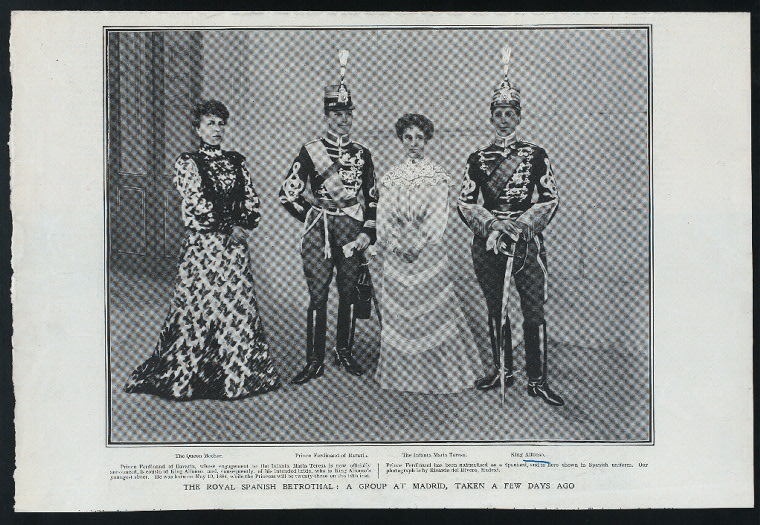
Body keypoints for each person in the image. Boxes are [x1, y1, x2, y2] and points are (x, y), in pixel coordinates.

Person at [124, 100, 281, 400]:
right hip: (204, 248)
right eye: (210, 123)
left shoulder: (237, 161)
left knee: (234, 310)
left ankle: (234, 376)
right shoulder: (188, 163)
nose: (216, 129)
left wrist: (243, 224)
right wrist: (228, 225)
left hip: (234, 251)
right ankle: (187, 375)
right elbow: (195, 205)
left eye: (221, 123)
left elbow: (251, 201)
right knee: (199, 309)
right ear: (198, 128)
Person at [457, 47, 565, 406]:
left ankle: (537, 379)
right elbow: (465, 200)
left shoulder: (535, 154)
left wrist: (521, 224)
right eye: (498, 114)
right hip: (489, 241)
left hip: (525, 241)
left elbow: (549, 198)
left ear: (518, 116)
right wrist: (490, 224)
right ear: (491, 117)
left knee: (533, 310)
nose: (503, 119)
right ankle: (503, 370)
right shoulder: (476, 158)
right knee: (495, 308)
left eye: (509, 113)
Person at [279, 50, 377, 385]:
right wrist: (311, 216)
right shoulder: (311, 151)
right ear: (326, 115)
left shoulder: (363, 154)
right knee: (318, 294)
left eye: (347, 113)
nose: (342, 119)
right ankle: (314, 359)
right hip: (319, 230)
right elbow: (287, 193)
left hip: (351, 228)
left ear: (352, 116)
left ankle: (345, 352)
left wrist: (368, 230)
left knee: (348, 291)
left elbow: (373, 198)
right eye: (336, 113)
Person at [374, 114, 480, 393]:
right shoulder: (391, 178)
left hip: (427, 251)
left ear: (427, 140)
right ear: (401, 140)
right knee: (402, 316)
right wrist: (396, 244)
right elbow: (383, 214)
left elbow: (438, 216)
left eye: (419, 138)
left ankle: (436, 377)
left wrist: (418, 244)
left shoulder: (437, 176)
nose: (413, 143)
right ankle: (404, 379)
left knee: (431, 314)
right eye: (408, 138)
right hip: (397, 253)